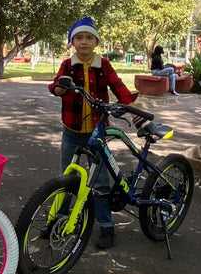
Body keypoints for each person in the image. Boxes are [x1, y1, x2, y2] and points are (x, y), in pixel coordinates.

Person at [49, 17, 138, 249]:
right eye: (79, 38)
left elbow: (119, 87)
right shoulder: (68, 64)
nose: (84, 42)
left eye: (89, 37)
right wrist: (61, 86)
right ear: (72, 42)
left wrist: (130, 108)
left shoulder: (104, 64)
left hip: (96, 133)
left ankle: (106, 226)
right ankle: (58, 222)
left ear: (96, 41)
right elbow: (56, 87)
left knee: (99, 182)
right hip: (71, 131)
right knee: (66, 177)